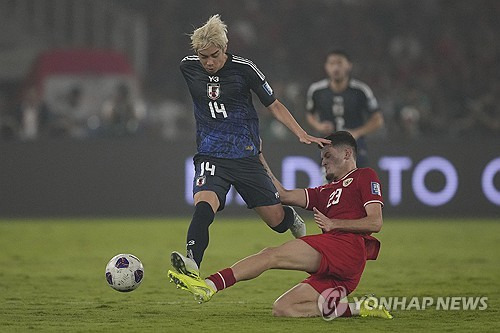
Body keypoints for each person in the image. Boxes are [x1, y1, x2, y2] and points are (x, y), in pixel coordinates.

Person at [168, 131, 392, 320]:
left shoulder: (364, 175)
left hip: (347, 248)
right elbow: (282, 194)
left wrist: (334, 223)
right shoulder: (325, 191)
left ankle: (209, 285)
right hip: (340, 266)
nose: (323, 161)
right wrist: (259, 157)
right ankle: (359, 308)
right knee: (283, 308)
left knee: (270, 255)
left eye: (327, 155)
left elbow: (376, 222)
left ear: (347, 153)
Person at [171, 14, 330, 278]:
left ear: (225, 48)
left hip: (246, 156)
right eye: (203, 57)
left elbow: (274, 104)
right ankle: (192, 264)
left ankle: (290, 218)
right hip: (211, 155)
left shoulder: (245, 69)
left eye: (214, 55)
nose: (208, 62)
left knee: (276, 222)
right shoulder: (187, 66)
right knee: (203, 205)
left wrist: (300, 133)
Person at [305, 50, 384, 167]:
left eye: (340, 63)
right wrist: (319, 126)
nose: (336, 68)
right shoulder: (316, 90)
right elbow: (309, 115)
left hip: (354, 146)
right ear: (326, 67)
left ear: (349, 65)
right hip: (327, 145)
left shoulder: (361, 90)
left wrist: (357, 132)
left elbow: (378, 119)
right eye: (332, 63)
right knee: (329, 182)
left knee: (356, 181)